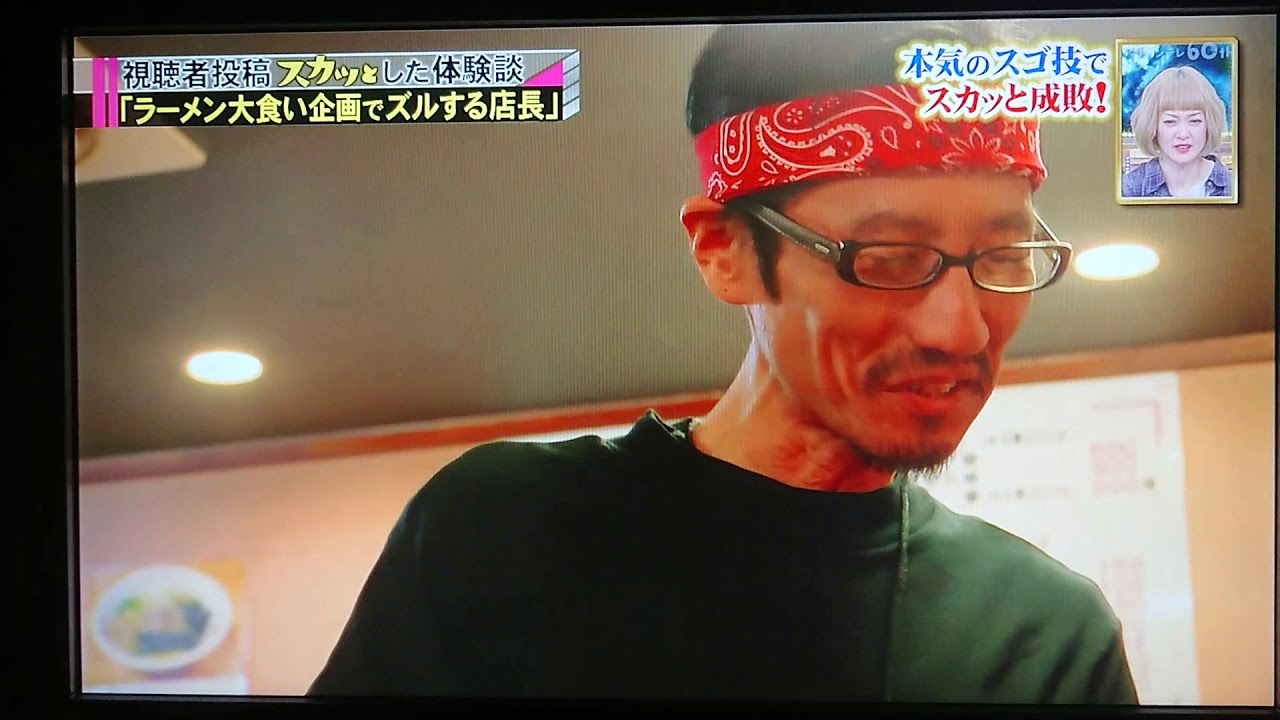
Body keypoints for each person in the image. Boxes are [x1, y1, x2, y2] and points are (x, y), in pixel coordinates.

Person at [309, 21, 1139, 704]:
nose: (961, 331)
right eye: (889, 257)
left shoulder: (1046, 634)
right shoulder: (505, 531)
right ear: (724, 251)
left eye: (1002, 257)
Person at [1121, 65, 1231, 198]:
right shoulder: (1129, 190)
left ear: (1209, 124)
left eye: (1194, 121)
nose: (1183, 134)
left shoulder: (1236, 188)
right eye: (1170, 122)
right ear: (1152, 126)